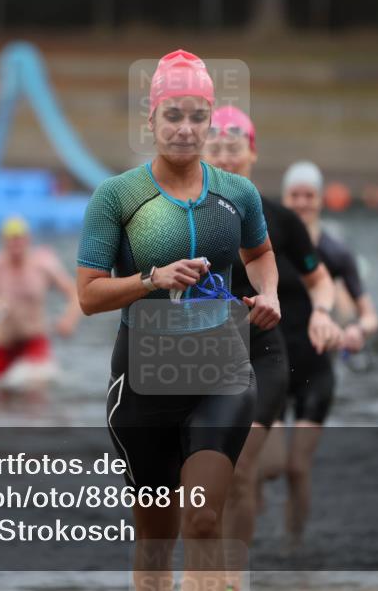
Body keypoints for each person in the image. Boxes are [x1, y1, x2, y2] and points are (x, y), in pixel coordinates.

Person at [77, 50, 280, 591]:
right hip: (143, 383)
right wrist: (152, 279)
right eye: (173, 115)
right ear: (151, 120)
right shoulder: (117, 196)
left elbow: (260, 254)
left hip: (221, 374)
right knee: (155, 540)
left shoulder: (238, 194)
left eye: (197, 116)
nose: (185, 129)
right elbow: (89, 297)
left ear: (210, 120)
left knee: (206, 518)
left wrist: (269, 294)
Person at [203, 107, 342, 575]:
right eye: (214, 149)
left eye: (233, 149)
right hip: (198, 360)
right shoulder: (179, 219)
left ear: (253, 153)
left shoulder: (279, 220)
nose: (224, 158)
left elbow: (320, 281)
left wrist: (323, 313)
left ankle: (231, 579)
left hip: (263, 355)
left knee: (240, 471)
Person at [260, 160, 378, 549]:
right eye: (294, 195)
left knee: (297, 468)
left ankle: (294, 549)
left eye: (309, 195)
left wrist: (356, 330)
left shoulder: (333, 251)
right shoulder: (269, 244)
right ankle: (250, 499)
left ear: (320, 200)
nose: (301, 202)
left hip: (316, 369)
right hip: (272, 364)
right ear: (285, 197)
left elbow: (368, 313)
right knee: (271, 465)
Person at [0, 215, 80, 387]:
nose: (15, 245)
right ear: (3, 241)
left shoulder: (43, 264)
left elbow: (75, 292)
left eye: (19, 239)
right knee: (1, 393)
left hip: (34, 340)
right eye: (11, 240)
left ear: (28, 240)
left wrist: (69, 320)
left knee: (35, 388)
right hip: (3, 345)